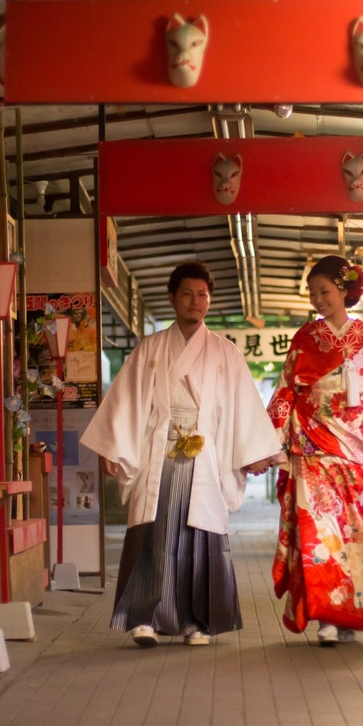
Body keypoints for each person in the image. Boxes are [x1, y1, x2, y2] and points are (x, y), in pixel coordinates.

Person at [81, 261, 280, 647]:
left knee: (198, 536)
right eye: (187, 294)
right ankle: (144, 618)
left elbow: (242, 407)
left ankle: (198, 621)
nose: (195, 302)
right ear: (172, 298)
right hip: (157, 448)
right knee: (153, 532)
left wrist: (255, 452)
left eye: (202, 295)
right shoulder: (151, 349)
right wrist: (115, 448)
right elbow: (128, 402)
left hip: (207, 455)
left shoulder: (225, 352)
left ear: (209, 299)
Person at [265, 255, 363, 646]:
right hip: (313, 446)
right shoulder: (305, 338)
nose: (318, 300)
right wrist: (269, 443)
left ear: (345, 290)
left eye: (325, 291)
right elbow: (287, 389)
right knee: (319, 534)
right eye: (313, 293)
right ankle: (326, 618)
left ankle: (348, 613)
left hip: (358, 449)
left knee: (353, 536)